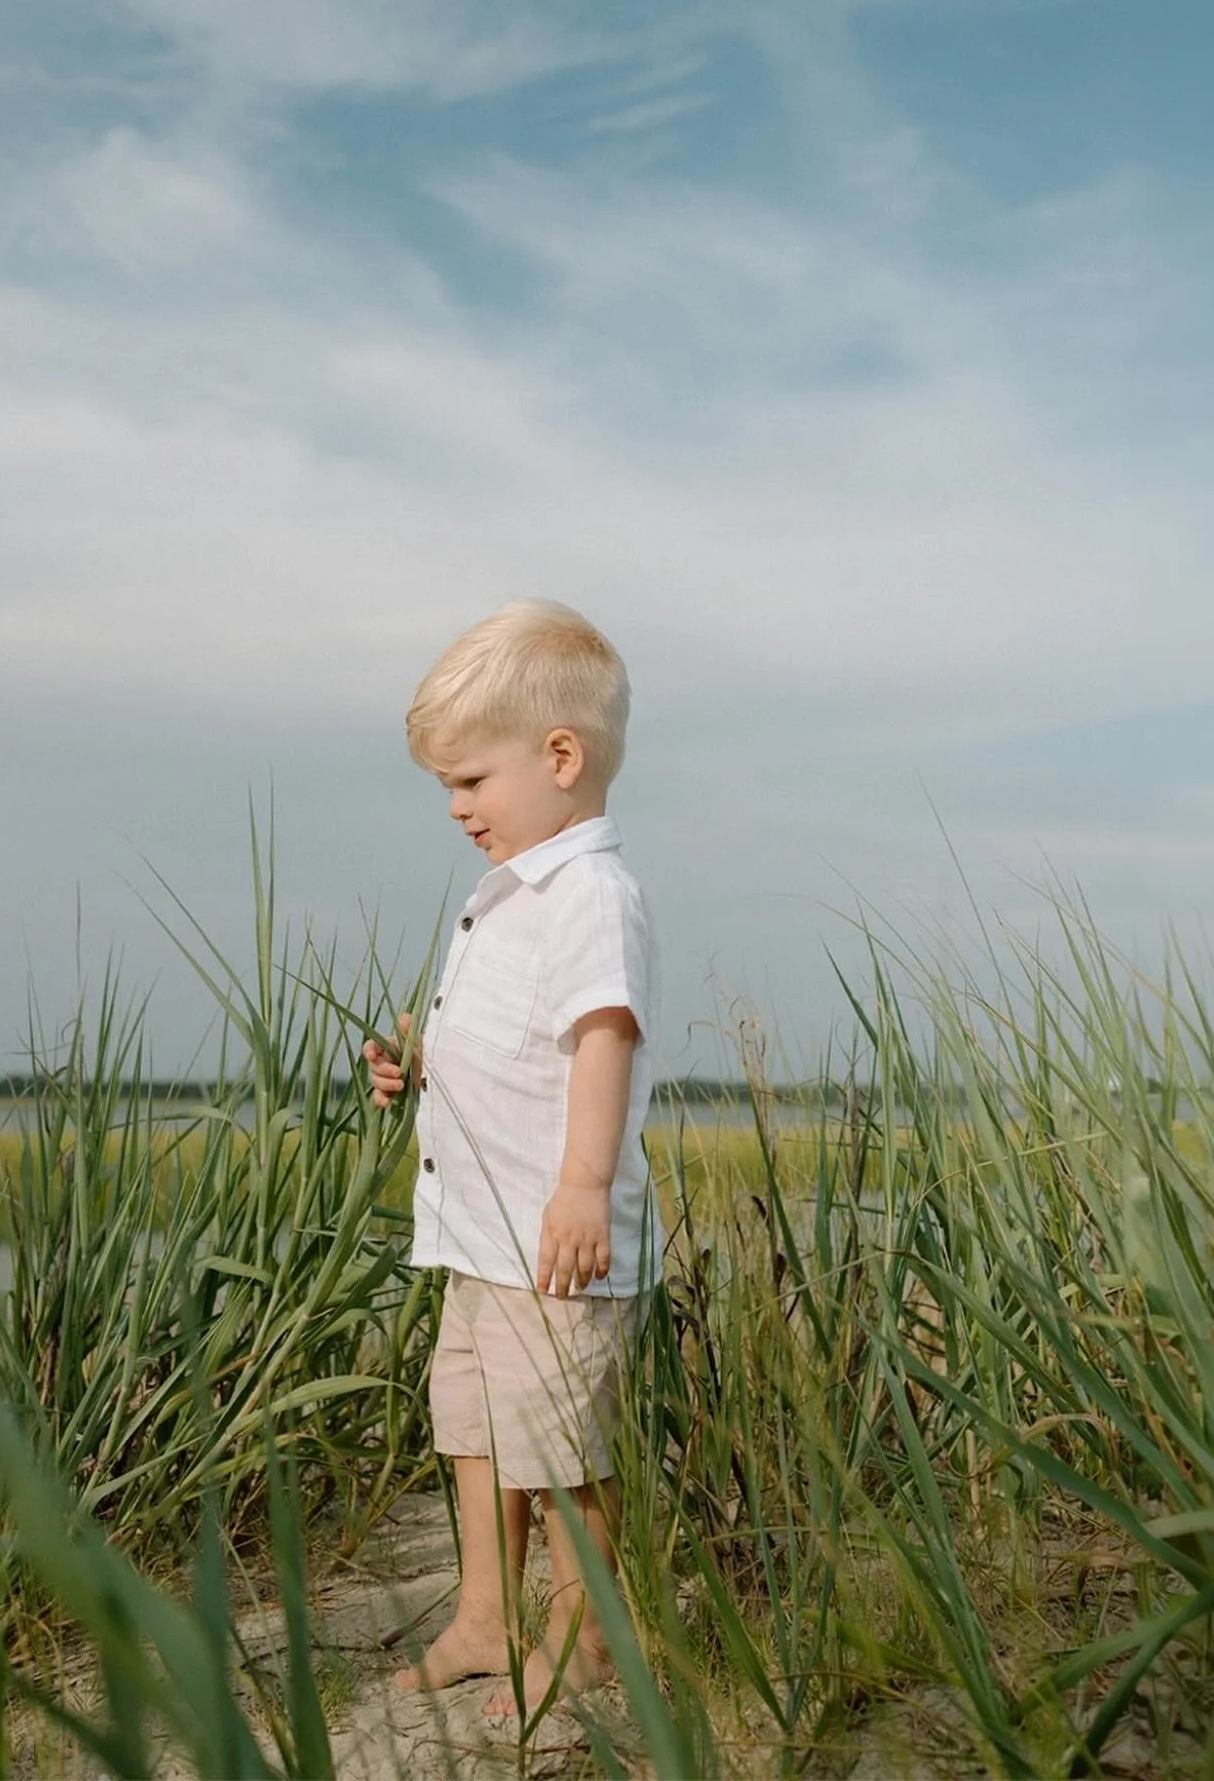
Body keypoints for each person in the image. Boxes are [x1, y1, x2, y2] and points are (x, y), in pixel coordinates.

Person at [362, 599, 661, 1720]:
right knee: (480, 1433)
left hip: (553, 1246)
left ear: (560, 757)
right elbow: (512, 1046)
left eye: (471, 781)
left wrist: (583, 1184)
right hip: (481, 1238)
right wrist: (418, 1068)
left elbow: (603, 1035)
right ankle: (487, 1617)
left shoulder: (589, 892)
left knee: (561, 1447)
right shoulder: (512, 895)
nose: (455, 807)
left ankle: (583, 1641)